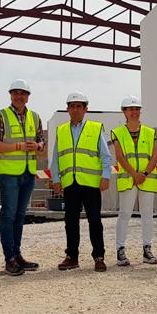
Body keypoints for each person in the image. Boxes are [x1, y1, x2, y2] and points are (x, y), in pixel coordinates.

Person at [50, 91, 113, 272]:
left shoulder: (95, 128)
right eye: (72, 106)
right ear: (68, 109)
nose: (76, 109)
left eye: (79, 106)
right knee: (70, 221)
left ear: (86, 109)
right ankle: (72, 257)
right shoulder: (61, 131)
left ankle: (99, 257)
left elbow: (105, 156)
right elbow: (56, 158)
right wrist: (56, 180)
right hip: (70, 183)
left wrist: (105, 176)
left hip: (91, 184)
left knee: (94, 220)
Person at [0, 79, 45, 276]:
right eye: (15, 93)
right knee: (9, 215)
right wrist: (19, 147)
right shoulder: (0, 116)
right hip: (9, 174)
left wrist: (37, 146)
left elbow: (41, 142)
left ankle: (17, 255)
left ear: (28, 96)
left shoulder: (35, 117)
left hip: (28, 173)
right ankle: (9, 258)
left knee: (20, 216)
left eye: (23, 93)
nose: (19, 96)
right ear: (10, 95)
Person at [112, 95, 157, 267]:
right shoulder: (118, 132)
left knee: (147, 215)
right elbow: (119, 156)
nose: (134, 112)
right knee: (124, 215)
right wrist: (134, 174)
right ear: (124, 111)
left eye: (137, 109)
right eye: (131, 109)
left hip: (146, 179)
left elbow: (155, 155)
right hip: (129, 179)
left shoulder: (150, 132)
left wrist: (144, 174)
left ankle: (147, 250)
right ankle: (120, 251)